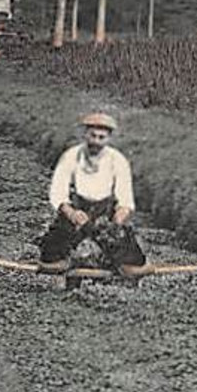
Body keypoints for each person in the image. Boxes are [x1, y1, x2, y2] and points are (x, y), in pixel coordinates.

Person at [38, 111, 147, 277]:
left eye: (101, 137)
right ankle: (63, 259)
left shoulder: (117, 160)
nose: (96, 142)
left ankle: (111, 261)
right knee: (51, 258)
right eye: (92, 136)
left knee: (134, 262)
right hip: (77, 211)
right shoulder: (71, 156)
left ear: (108, 139)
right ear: (85, 135)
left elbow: (125, 198)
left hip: (105, 212)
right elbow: (58, 192)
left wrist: (119, 218)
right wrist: (71, 213)